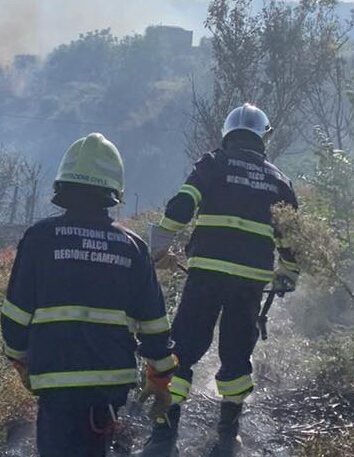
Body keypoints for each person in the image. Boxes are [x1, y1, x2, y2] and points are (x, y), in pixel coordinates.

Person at [0, 132, 178, 457]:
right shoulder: (132, 248)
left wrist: (20, 360)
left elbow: (15, 315)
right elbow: (154, 323)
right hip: (109, 385)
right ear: (114, 191)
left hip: (55, 381)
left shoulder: (39, 239)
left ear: (62, 186)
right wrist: (161, 377)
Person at [142, 104, 300, 457]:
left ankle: (164, 434)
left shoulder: (212, 164)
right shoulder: (279, 179)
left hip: (207, 273)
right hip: (250, 281)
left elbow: (182, 203)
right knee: (236, 355)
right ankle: (228, 436)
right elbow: (292, 238)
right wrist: (288, 273)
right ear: (263, 138)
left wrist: (161, 244)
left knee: (182, 350)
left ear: (228, 134)